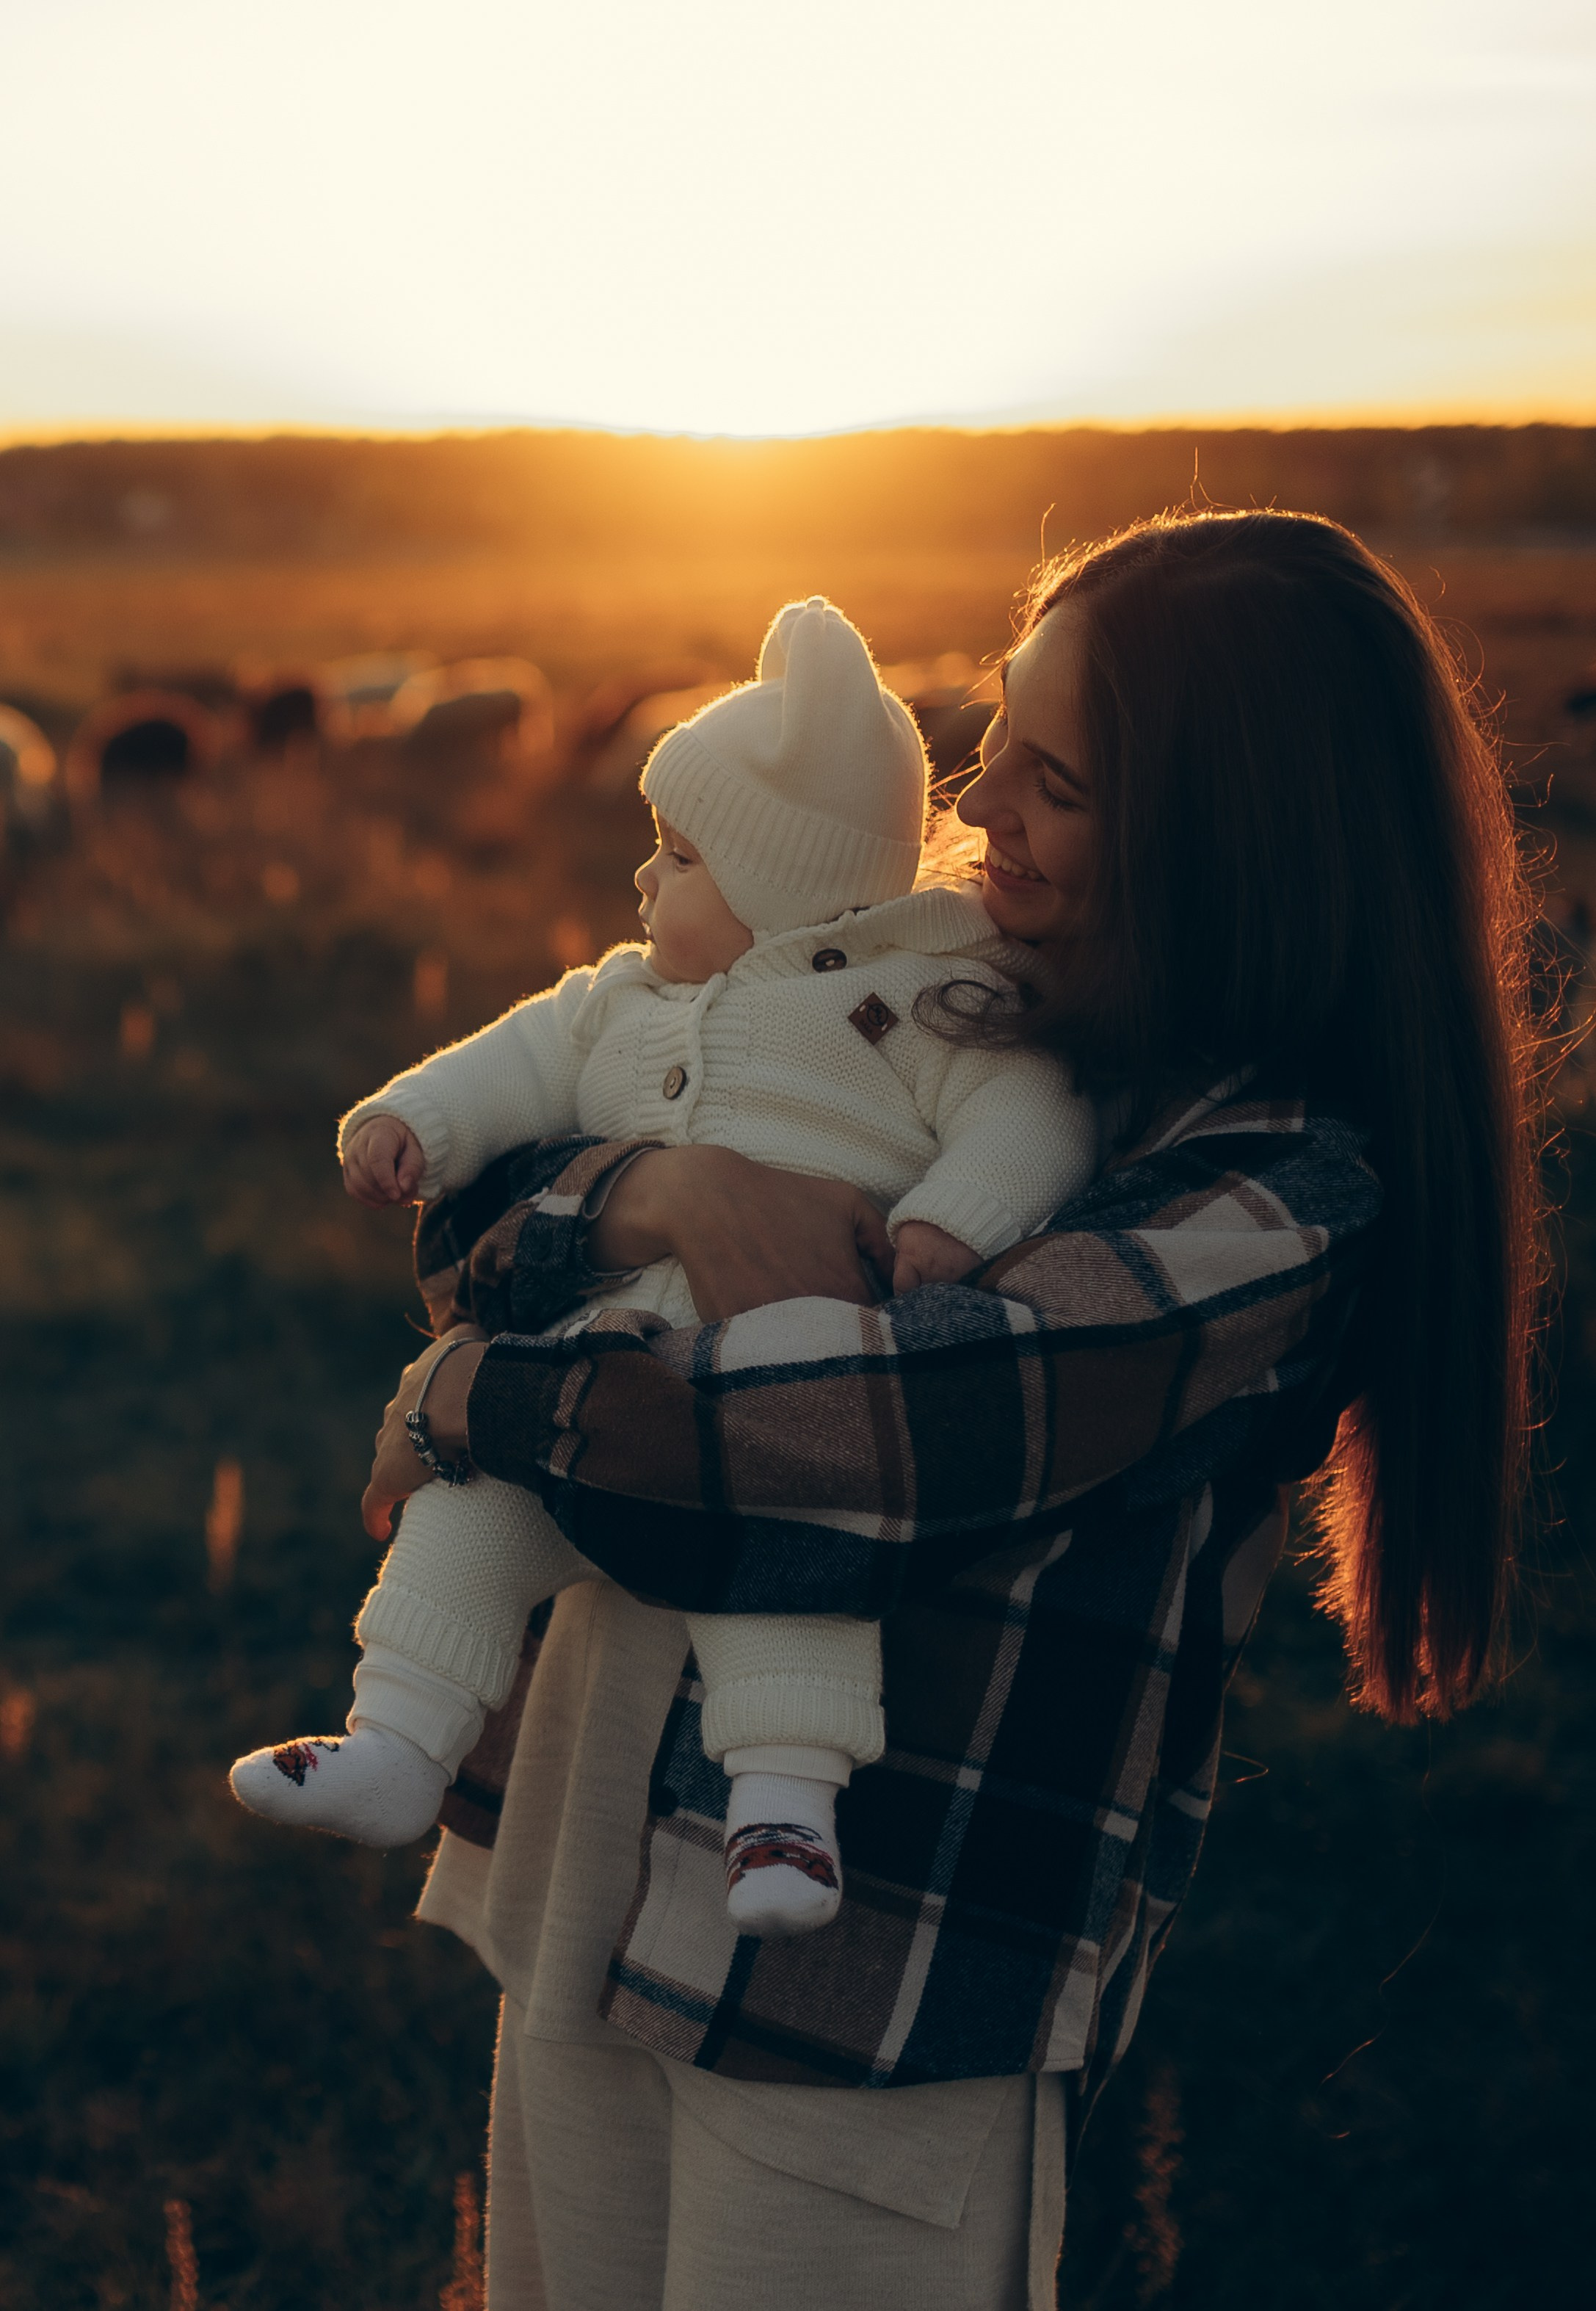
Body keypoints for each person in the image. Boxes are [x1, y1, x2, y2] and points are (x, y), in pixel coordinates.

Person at [356, 512, 1543, 2311]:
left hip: (861, 1992)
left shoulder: (1268, 1200)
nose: (976, 806)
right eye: (995, 743)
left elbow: (837, 1439)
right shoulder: (937, 1009)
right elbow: (479, 1202)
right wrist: (658, 1196)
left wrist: (470, 1391)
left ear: (1223, 839)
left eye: (1052, 780)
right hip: (582, 1871)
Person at [230, 597, 1095, 1938]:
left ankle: (785, 1814)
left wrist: (955, 1222)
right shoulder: (622, 999)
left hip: (785, 1362)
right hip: (592, 1356)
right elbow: (514, 1060)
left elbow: (1027, 1115)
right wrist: (412, 1120)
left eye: (679, 858)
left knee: (790, 1564)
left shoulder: (919, 1002)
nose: (644, 883)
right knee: (469, 1518)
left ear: (788, 882)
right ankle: (397, 1744)